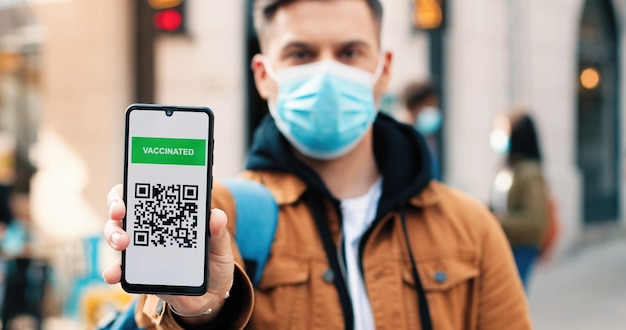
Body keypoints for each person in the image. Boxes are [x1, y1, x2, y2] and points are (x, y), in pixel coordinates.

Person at [103, 0, 532, 329]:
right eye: (301, 54)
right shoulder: (220, 212)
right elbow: (162, 316)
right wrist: (201, 311)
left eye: (349, 52)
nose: (327, 71)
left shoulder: (470, 228)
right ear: (263, 74)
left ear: (382, 69)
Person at [489, 111, 549, 290]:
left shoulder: (529, 172)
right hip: (506, 246)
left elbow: (535, 221)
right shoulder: (511, 168)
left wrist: (499, 221)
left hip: (520, 248)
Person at [396, 81, 443, 180]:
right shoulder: (400, 138)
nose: (434, 110)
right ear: (414, 107)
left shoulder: (427, 137)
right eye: (430, 105)